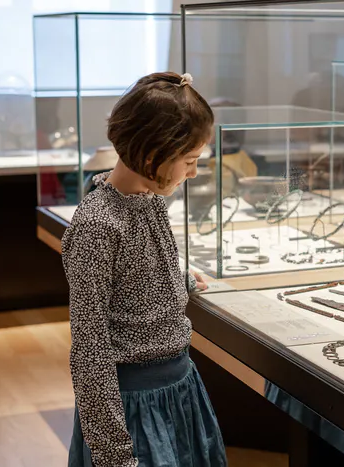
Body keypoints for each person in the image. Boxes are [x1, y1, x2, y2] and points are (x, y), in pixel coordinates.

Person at [61, 72, 227, 467]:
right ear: (152, 156)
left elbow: (135, 283)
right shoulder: (97, 226)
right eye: (189, 161)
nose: (193, 173)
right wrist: (115, 455)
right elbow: (90, 351)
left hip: (180, 388)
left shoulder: (149, 201)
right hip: (132, 410)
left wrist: (179, 280)